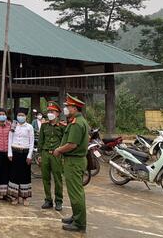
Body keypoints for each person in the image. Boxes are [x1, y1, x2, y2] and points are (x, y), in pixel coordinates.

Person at [53, 94, 89, 233]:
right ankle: (76, 217)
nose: (66, 109)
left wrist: (58, 150)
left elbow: (72, 144)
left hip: (74, 161)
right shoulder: (78, 121)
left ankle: (79, 223)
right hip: (75, 161)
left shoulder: (76, 123)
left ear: (74, 108)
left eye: (68, 106)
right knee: (76, 191)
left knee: (75, 193)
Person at [38, 101, 65, 211]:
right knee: (45, 178)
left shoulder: (62, 126)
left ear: (58, 113)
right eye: (48, 111)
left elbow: (65, 141)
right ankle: (48, 200)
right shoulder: (44, 125)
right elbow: (41, 141)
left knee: (58, 179)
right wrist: (39, 154)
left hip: (56, 154)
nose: (50, 113)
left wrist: (62, 155)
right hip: (45, 153)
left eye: (52, 111)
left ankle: (59, 201)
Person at [8, 107, 34, 206]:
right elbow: (10, 139)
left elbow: (31, 142)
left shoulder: (29, 127)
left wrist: (29, 155)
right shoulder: (13, 125)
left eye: (22, 115)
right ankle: (14, 196)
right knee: (14, 174)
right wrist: (9, 153)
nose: (20, 117)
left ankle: (25, 197)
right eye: (19, 115)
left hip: (25, 153)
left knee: (25, 175)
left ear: (26, 116)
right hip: (15, 152)